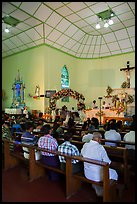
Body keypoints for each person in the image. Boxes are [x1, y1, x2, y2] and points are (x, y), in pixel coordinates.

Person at [81, 132, 118, 197]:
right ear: (98, 139)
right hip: (97, 175)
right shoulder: (100, 147)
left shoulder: (85, 145)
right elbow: (107, 162)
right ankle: (108, 193)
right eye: (101, 139)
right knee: (114, 173)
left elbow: (82, 154)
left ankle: (97, 187)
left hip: (87, 173)